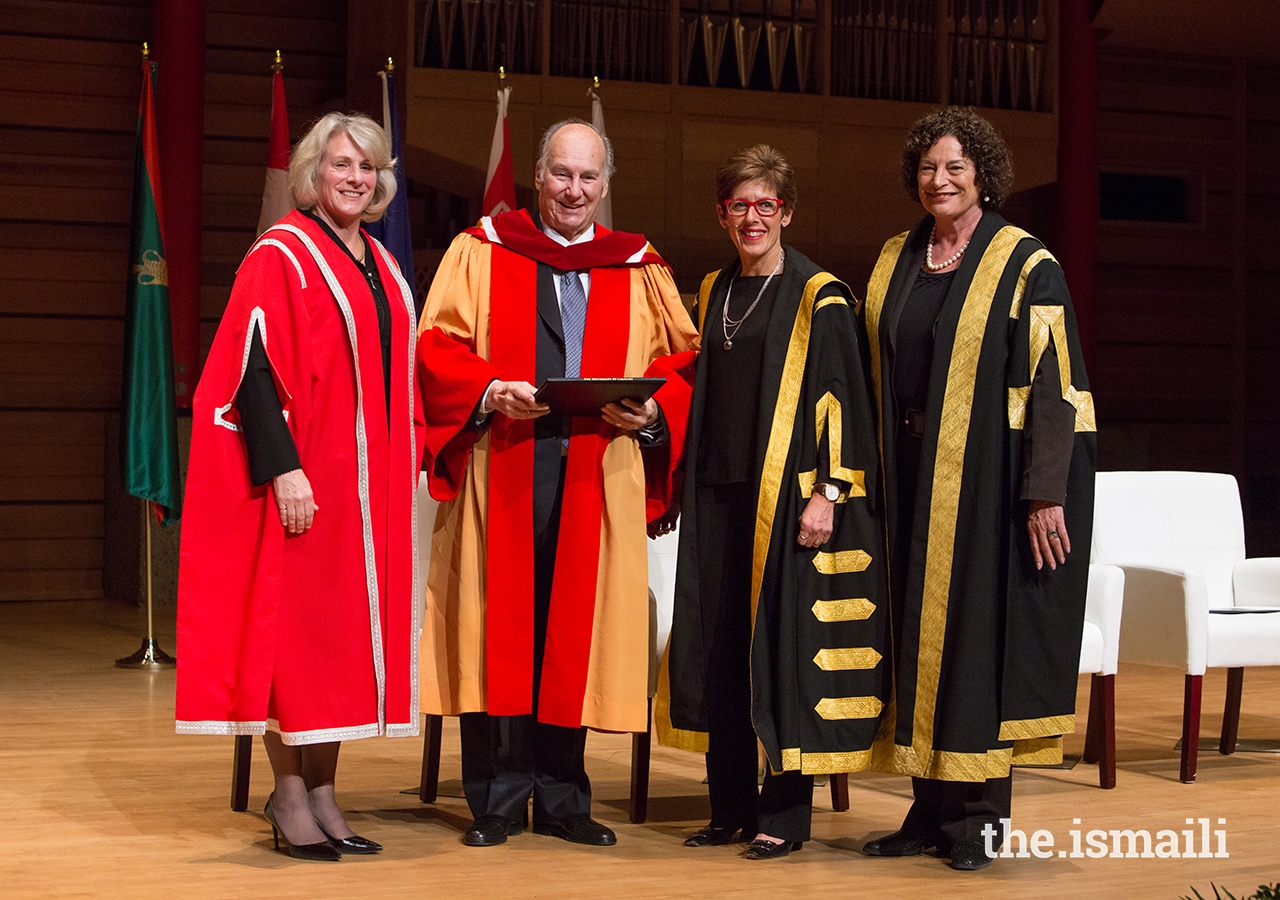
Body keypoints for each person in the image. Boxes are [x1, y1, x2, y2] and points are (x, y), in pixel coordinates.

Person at [416, 119, 698, 849]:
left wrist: (650, 409)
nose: (574, 191)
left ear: (605, 186)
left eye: (588, 178)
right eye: (562, 175)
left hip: (597, 469)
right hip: (504, 463)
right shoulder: (481, 251)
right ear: (538, 178)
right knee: (498, 625)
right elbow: (435, 345)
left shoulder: (637, 266)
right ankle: (497, 799)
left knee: (571, 628)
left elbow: (685, 363)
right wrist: (485, 391)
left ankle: (567, 796)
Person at [175, 113, 420, 861]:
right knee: (296, 644)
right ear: (313, 173)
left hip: (367, 492)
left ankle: (324, 792)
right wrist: (284, 469)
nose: (355, 178)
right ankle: (287, 795)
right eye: (341, 164)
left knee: (342, 644)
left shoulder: (379, 260)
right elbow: (250, 372)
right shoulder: (281, 252)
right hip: (310, 478)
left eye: (368, 167)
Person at [860, 107, 1096, 871]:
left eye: (956, 167)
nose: (941, 180)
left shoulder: (1027, 262)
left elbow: (1057, 385)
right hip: (909, 477)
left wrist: (1045, 490)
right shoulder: (898, 255)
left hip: (989, 482)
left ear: (984, 175)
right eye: (929, 167)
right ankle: (926, 814)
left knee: (976, 643)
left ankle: (979, 823)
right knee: (916, 645)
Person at [655, 145, 890, 860]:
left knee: (788, 654)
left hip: (787, 507)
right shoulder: (715, 289)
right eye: (739, 206)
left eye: (765, 205)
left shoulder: (820, 295)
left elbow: (846, 400)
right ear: (721, 214)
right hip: (718, 497)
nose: (751, 217)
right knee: (719, 652)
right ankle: (727, 807)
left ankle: (784, 815)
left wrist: (828, 493)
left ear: (785, 211)